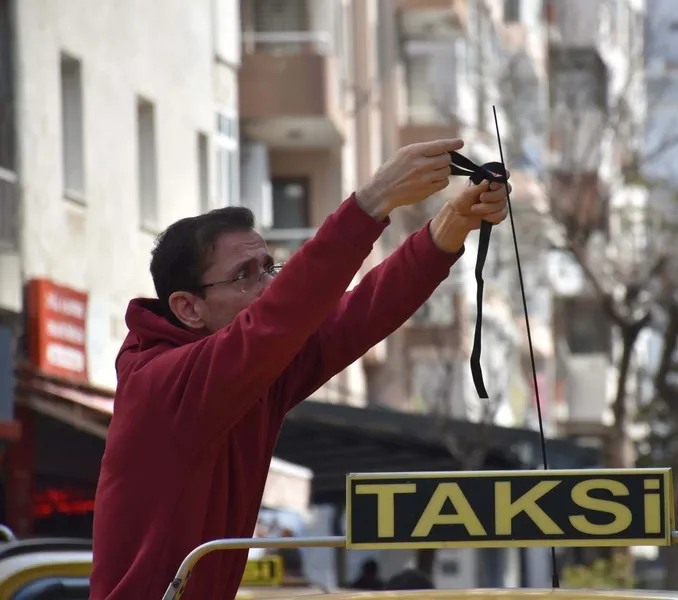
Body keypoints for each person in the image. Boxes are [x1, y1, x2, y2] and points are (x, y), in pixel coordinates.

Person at [88, 138, 511, 600]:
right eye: (244, 275)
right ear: (189, 308)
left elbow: (357, 316)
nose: (269, 286)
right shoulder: (162, 383)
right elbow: (280, 317)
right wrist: (371, 201)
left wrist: (451, 225)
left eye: (270, 268)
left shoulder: (251, 373)